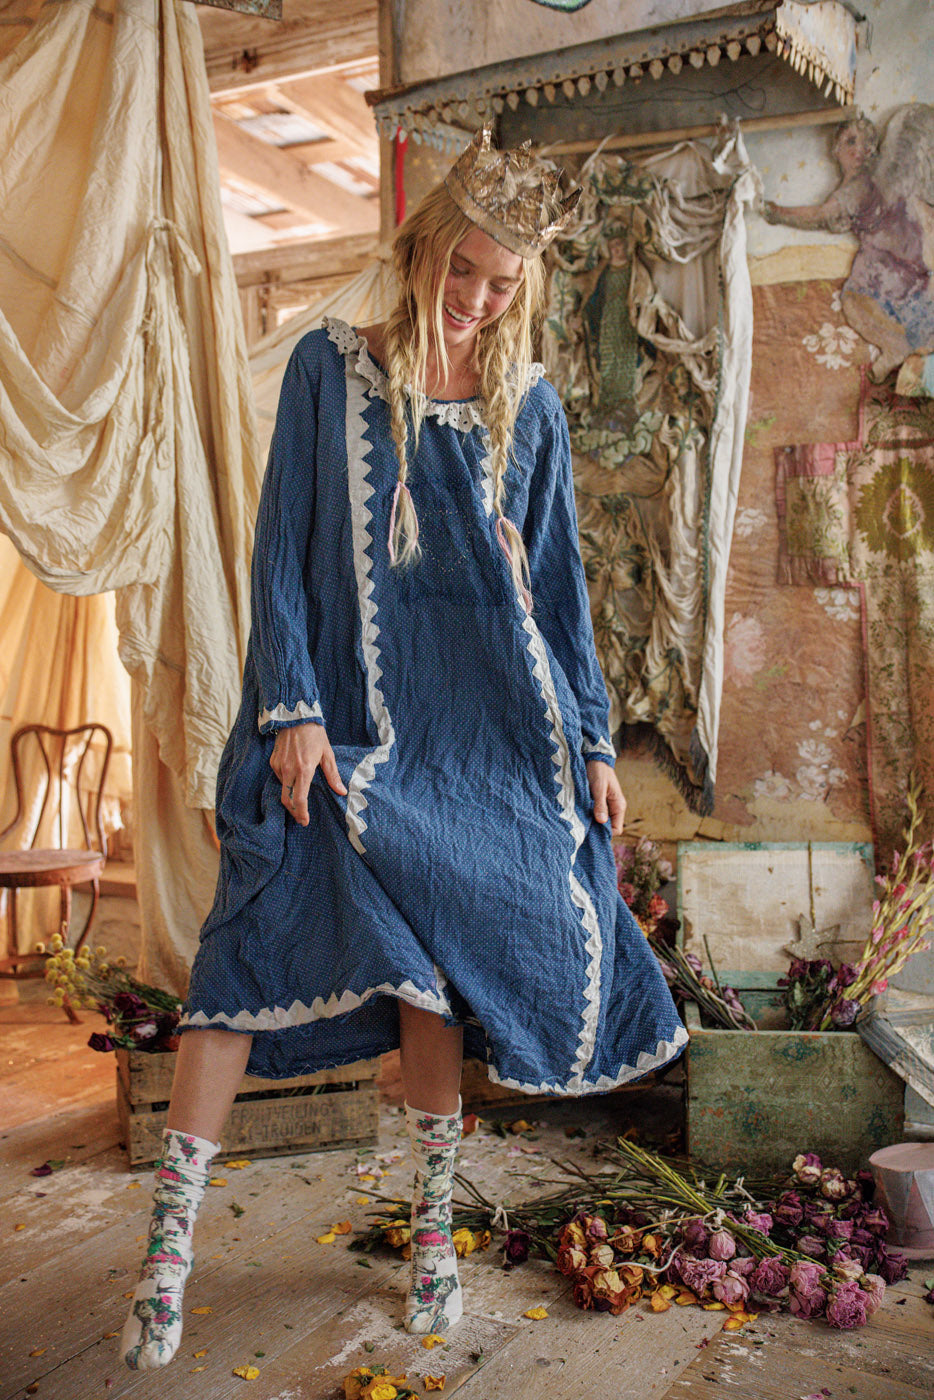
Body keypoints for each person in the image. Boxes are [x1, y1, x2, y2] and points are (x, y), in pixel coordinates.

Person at [120, 127, 687, 1371]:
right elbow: (278, 551)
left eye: (501, 281)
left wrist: (592, 739)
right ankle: (168, 1253)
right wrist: (290, 707)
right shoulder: (330, 371)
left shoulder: (527, 405)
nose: (476, 297)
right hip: (330, 731)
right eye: (462, 267)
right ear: (423, 244)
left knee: (430, 983)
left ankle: (433, 1234)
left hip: (478, 739)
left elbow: (557, 591)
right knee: (239, 953)